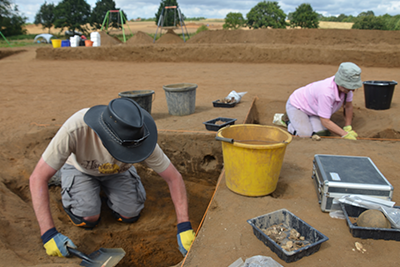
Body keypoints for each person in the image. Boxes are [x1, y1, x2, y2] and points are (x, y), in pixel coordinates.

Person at [29, 98, 195, 258]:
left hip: (118, 171)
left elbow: (174, 178)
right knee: (88, 217)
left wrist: (184, 226)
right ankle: (65, 177)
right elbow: (37, 178)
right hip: (81, 168)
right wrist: (49, 234)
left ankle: (106, 190)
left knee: (130, 214)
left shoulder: (140, 137)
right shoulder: (76, 128)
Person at [285, 62, 362, 139]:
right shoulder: (326, 92)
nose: (352, 89)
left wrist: (347, 127)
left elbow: (348, 106)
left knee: (321, 133)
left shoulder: (346, 90)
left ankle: (304, 119)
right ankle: (288, 121)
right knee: (305, 135)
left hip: (314, 110)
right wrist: (344, 134)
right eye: (349, 86)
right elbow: (325, 121)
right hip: (298, 105)